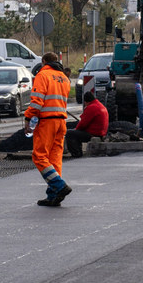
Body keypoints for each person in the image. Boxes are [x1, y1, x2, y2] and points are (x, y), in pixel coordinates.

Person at [27, 52, 72, 206]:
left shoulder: (43, 75)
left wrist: (28, 118)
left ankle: (59, 186)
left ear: (44, 61)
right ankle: (54, 195)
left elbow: (37, 102)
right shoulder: (64, 78)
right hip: (61, 122)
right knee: (55, 159)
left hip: (47, 121)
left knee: (39, 156)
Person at [67, 91, 108, 158]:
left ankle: (76, 154)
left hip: (93, 133)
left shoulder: (92, 107)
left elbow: (82, 124)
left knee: (70, 133)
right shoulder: (100, 105)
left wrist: (75, 129)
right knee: (74, 128)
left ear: (86, 101)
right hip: (100, 132)